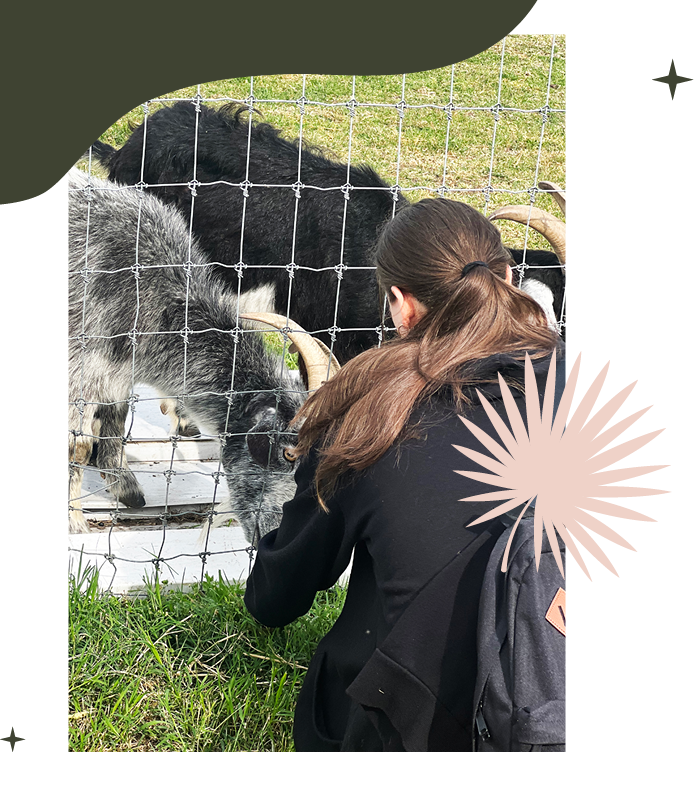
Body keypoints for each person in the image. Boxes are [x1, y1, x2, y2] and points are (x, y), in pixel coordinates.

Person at [243, 197, 564, 751]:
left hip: (417, 732)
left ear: (401, 305)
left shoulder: (369, 419)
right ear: (511, 279)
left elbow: (276, 599)